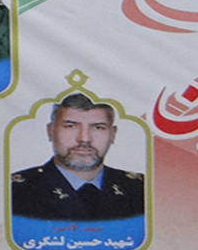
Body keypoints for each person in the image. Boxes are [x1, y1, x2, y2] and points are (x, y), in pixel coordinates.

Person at [11, 93, 145, 221]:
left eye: (98, 127)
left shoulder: (141, 189)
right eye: (70, 126)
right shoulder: (15, 190)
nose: (84, 139)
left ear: (113, 134)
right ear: (51, 131)